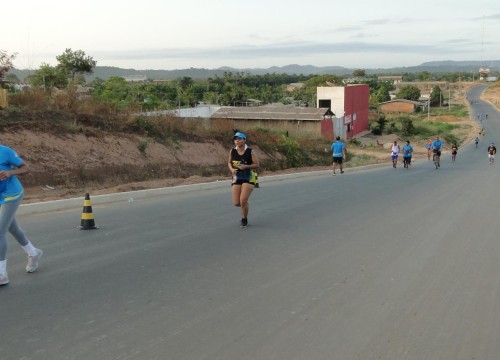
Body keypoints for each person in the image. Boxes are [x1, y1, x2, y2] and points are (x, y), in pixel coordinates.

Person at [0, 145, 43, 286]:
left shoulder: (5, 151)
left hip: (11, 194)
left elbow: (25, 168)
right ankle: (33, 252)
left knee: (0, 230)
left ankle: (1, 274)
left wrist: (9, 172)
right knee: (12, 228)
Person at [228, 131, 260, 228]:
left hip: (249, 177)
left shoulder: (250, 151)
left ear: (244, 140)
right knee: (236, 202)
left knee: (242, 200)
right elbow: (229, 162)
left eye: (239, 139)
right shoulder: (232, 151)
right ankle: (245, 204)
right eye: (235, 139)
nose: (237, 141)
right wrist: (232, 169)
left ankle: (244, 219)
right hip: (237, 177)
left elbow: (257, 165)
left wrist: (245, 166)